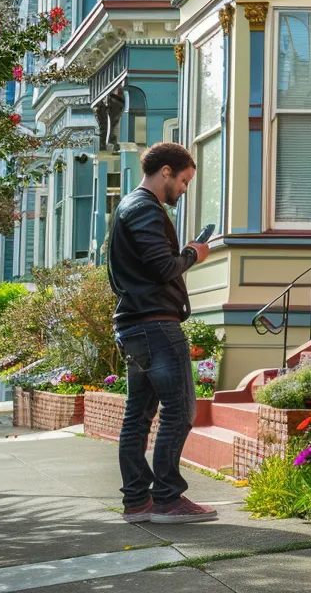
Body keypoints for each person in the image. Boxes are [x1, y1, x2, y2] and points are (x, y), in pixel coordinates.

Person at [106, 142, 216, 524]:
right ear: (166, 171)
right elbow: (161, 267)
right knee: (180, 410)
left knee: (138, 415)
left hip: (134, 325)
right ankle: (168, 498)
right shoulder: (145, 208)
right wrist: (193, 254)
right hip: (155, 325)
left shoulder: (128, 207)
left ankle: (137, 501)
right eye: (184, 181)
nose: (184, 189)